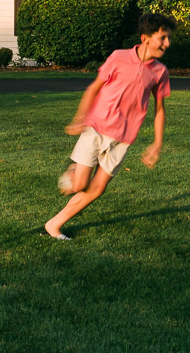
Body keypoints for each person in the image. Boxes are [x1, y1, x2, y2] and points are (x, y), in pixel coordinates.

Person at [44, 13, 176, 240]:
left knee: (96, 190)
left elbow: (160, 109)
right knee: (80, 185)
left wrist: (157, 144)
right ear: (145, 38)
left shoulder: (160, 72)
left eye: (169, 38)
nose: (167, 43)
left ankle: (54, 225)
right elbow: (94, 87)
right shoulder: (118, 58)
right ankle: (74, 172)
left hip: (123, 139)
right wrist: (80, 118)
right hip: (97, 127)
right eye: (162, 37)